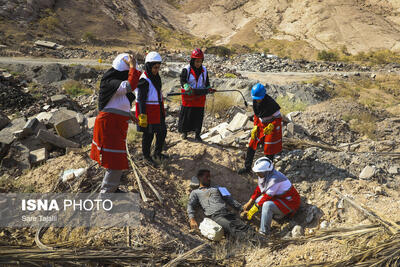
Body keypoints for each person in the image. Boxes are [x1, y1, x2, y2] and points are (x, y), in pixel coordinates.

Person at [90, 53, 141, 194]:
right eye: (127, 72)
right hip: (108, 126)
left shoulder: (116, 84)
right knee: (115, 161)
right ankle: (105, 196)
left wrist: (128, 114)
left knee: (113, 159)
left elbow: (116, 104)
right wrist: (133, 67)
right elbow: (129, 86)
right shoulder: (110, 82)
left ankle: (112, 188)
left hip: (114, 125)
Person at [241, 157, 301, 236]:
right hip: (279, 199)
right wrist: (249, 202)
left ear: (266, 171)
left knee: (267, 205)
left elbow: (267, 197)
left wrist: (251, 211)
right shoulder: (265, 176)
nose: (257, 174)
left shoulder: (275, 180)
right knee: (258, 201)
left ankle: (264, 232)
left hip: (289, 203)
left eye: (258, 172)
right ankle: (269, 216)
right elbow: (259, 189)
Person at [187, 169, 250, 238]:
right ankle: (251, 242)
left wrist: (242, 208)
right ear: (200, 177)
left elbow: (230, 199)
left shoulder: (219, 187)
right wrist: (192, 219)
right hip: (216, 216)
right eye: (207, 176)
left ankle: (261, 240)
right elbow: (190, 205)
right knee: (231, 228)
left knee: (244, 227)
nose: (209, 178)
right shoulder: (195, 192)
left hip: (227, 213)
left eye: (209, 176)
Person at [238, 83, 282, 174]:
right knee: (252, 144)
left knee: (269, 148)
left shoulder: (271, 104)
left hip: (271, 127)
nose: (257, 101)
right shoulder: (255, 101)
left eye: (259, 99)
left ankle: (266, 171)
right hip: (260, 125)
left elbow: (278, 118)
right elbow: (257, 115)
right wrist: (255, 126)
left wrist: (272, 126)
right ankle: (247, 167)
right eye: (256, 99)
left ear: (263, 95)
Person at [135, 51, 167, 165]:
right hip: (147, 111)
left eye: (158, 67)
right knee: (148, 135)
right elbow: (141, 99)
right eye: (154, 67)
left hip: (157, 109)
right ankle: (146, 156)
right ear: (148, 66)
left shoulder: (155, 77)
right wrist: (142, 116)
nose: (156, 70)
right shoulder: (144, 80)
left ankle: (157, 153)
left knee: (162, 131)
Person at [178, 48, 216, 141]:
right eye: (196, 61)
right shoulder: (186, 69)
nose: (198, 63)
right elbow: (182, 80)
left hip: (200, 96)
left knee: (198, 116)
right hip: (188, 96)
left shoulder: (204, 70)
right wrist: (186, 86)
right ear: (192, 60)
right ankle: (184, 132)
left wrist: (209, 88)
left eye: (200, 61)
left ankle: (197, 134)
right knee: (187, 114)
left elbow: (206, 82)